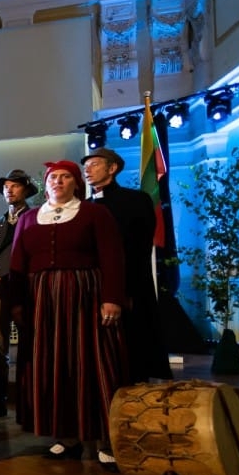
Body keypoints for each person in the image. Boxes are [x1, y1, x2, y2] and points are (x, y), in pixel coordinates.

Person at [9, 160, 127, 469]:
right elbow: (18, 264)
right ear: (45, 184)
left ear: (77, 183)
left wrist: (111, 298)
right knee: (52, 364)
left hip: (83, 297)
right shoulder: (30, 218)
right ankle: (66, 436)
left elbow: (112, 258)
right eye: (53, 178)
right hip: (40, 301)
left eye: (65, 177)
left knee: (92, 363)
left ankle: (104, 437)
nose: (58, 182)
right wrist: (17, 303)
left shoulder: (95, 213)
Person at [82, 147, 171, 384]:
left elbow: (138, 249)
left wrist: (125, 291)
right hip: (92, 288)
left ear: (112, 169)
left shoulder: (135, 200)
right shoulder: (83, 206)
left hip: (128, 285)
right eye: (85, 166)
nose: (87, 170)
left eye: (94, 164)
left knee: (131, 352)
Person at [0, 169, 38, 419]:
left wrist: (4, 278)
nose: (10, 190)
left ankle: (31, 402)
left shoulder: (37, 219)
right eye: (6, 186)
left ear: (26, 190)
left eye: (15, 186)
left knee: (31, 345)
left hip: (27, 290)